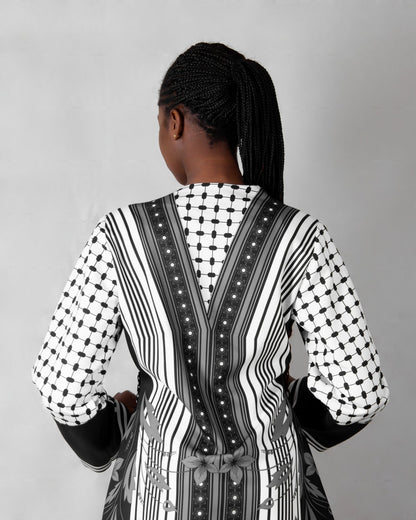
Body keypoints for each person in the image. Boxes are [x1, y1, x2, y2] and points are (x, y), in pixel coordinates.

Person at [31, 42, 389, 520]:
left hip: (158, 501)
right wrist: (280, 413)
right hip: (271, 500)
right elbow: (359, 392)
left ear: (174, 122)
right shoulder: (301, 236)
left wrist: (119, 426)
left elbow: (61, 386)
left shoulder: (121, 236)